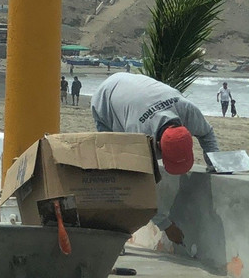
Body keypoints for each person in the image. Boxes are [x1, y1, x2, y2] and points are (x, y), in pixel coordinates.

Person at [91, 72, 219, 245]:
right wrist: (166, 226)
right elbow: (139, 187)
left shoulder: (187, 110)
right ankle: (114, 237)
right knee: (117, 172)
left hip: (133, 89)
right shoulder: (138, 137)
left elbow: (207, 133)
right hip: (105, 99)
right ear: (157, 145)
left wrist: (214, 163)